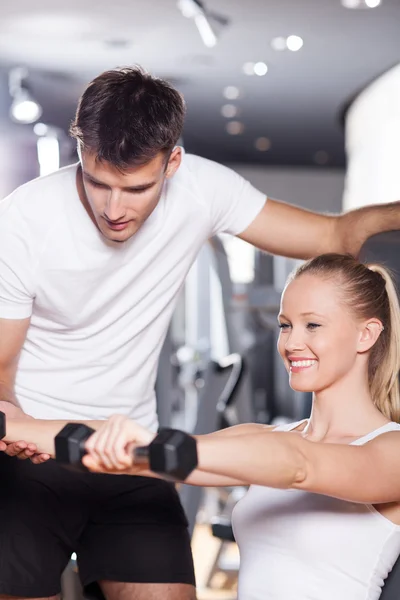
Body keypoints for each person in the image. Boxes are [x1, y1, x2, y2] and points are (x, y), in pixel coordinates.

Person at [0, 63, 400, 600]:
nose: (114, 209)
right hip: (38, 454)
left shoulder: (203, 189)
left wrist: (145, 447)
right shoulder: (23, 223)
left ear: (173, 164)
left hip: (133, 452)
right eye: (98, 182)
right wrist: (18, 430)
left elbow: (334, 233)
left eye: (136, 188)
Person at [81, 253, 400, 600]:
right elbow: (147, 453)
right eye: (285, 325)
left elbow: (301, 465)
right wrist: (17, 427)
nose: (291, 343)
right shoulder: (266, 438)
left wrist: (162, 447)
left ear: (366, 335)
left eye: (313, 325)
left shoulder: (391, 449)